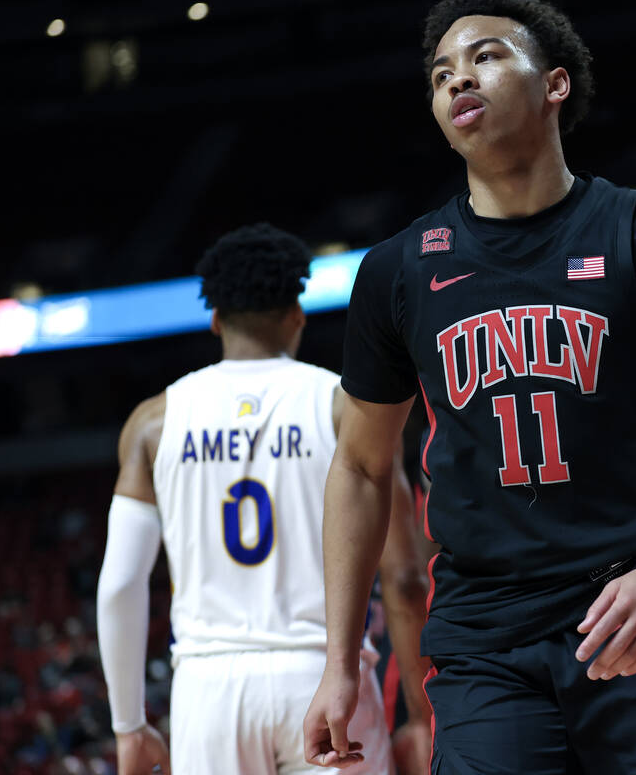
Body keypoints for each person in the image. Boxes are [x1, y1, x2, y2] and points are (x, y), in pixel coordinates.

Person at [305, 0, 636, 773]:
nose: (458, 80)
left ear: (555, 84)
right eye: (440, 75)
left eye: (485, 57)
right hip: (482, 642)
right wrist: (339, 661)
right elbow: (363, 466)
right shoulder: (398, 271)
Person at [96, 224, 431, 775]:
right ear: (297, 315)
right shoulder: (346, 410)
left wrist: (129, 727)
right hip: (325, 676)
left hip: (208, 690)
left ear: (215, 319)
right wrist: (422, 716)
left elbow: (120, 585)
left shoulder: (152, 423)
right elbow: (406, 580)